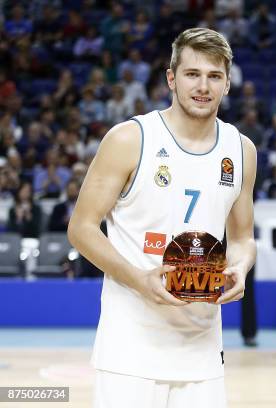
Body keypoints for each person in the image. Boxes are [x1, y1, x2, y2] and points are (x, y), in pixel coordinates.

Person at [67, 28, 256, 408]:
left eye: (214, 76)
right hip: (129, 349)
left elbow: (241, 237)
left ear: (228, 84)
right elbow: (81, 228)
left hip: (202, 349)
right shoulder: (130, 139)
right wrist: (138, 279)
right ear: (171, 78)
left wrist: (241, 266)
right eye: (192, 74)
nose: (203, 86)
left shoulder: (241, 149)